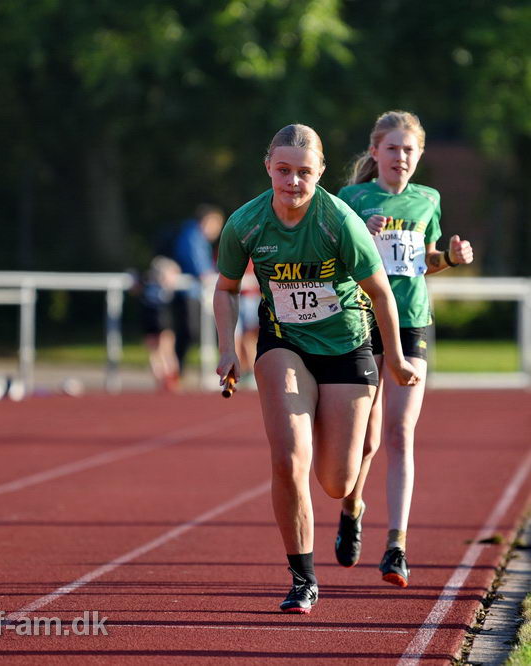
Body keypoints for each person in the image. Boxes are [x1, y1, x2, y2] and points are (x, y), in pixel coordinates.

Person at [213, 124, 419, 614]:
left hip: (347, 345)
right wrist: (227, 349)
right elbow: (224, 289)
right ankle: (303, 578)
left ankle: (353, 506)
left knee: (337, 481)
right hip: (284, 342)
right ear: (268, 167)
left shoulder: (338, 221)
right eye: (283, 171)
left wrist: (396, 356)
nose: (292, 182)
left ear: (320, 173)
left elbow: (380, 293)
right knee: (288, 459)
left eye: (304, 172)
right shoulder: (246, 224)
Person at [335, 111, 473, 587]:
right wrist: (362, 236)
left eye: (409, 149)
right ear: (375, 152)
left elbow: (425, 260)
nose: (401, 157)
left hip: (412, 322)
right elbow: (333, 264)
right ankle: (353, 507)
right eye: (392, 148)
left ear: (419, 156)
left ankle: (397, 546)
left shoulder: (427, 199)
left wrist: (450, 258)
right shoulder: (351, 199)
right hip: (362, 322)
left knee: (400, 434)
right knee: (366, 441)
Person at [166, 204, 223, 378]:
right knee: (188, 333)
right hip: (187, 294)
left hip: (193, 293)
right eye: (216, 224)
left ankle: (178, 372)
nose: (217, 230)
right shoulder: (193, 236)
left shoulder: (196, 237)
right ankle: (175, 373)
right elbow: (201, 270)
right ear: (207, 221)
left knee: (191, 334)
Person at [138, 255, 181, 391]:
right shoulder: (163, 284)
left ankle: (163, 379)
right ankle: (168, 379)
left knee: (156, 351)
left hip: (150, 319)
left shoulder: (145, 284)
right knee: (165, 350)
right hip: (161, 319)